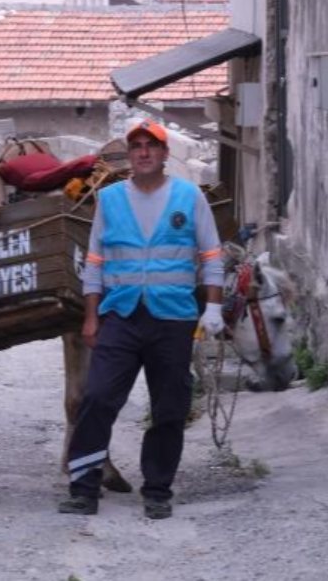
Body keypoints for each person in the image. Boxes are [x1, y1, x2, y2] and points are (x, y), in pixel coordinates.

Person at [58, 118, 225, 519]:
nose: (144, 152)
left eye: (152, 146)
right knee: (97, 397)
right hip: (122, 315)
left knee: (169, 406)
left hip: (173, 318)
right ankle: (83, 488)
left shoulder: (188, 196)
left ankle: (157, 490)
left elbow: (211, 255)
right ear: (130, 155)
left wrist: (214, 308)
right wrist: (91, 317)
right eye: (137, 146)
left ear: (165, 154)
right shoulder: (110, 199)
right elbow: (95, 261)